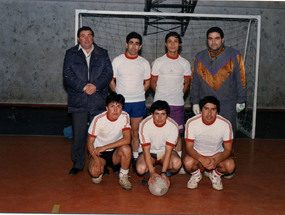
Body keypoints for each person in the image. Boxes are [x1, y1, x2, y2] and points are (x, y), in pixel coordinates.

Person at [63, 26, 113, 175]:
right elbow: (67, 74)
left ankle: (99, 163)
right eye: (83, 36)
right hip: (78, 101)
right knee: (78, 135)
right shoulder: (71, 54)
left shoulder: (103, 53)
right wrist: (83, 86)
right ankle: (78, 164)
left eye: (89, 35)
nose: (86, 39)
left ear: (93, 38)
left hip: (98, 101)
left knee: (98, 136)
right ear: (78, 39)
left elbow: (108, 73)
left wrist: (96, 86)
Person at [190, 26, 247, 135]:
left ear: (222, 39)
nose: (213, 42)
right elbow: (195, 81)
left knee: (228, 134)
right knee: (206, 134)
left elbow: (241, 79)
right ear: (207, 40)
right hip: (206, 104)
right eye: (210, 39)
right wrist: (195, 101)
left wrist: (241, 99)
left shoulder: (234, 55)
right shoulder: (199, 57)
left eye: (216, 38)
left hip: (227, 103)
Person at [110, 32, 151, 172]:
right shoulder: (117, 61)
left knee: (135, 131)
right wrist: (119, 97)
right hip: (123, 103)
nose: (134, 46)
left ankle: (134, 157)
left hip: (138, 102)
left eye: (137, 43)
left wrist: (139, 93)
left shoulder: (144, 63)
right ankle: (117, 160)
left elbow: (148, 82)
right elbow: (111, 80)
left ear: (140, 46)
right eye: (131, 43)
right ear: (126, 44)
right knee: (119, 132)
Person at [150, 31, 191, 174]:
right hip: (160, 105)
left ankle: (178, 162)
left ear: (179, 44)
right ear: (166, 44)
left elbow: (186, 83)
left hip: (177, 104)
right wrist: (161, 96)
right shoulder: (158, 62)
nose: (172, 44)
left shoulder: (184, 63)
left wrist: (178, 95)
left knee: (177, 134)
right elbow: (153, 83)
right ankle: (156, 158)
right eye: (170, 41)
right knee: (158, 132)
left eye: (175, 41)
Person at [183, 96, 235, 191]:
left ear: (217, 112)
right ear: (200, 110)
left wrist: (217, 160)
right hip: (198, 154)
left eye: (213, 109)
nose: (209, 113)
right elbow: (189, 148)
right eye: (206, 109)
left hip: (216, 154)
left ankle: (215, 175)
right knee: (187, 162)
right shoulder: (191, 123)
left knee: (230, 166)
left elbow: (228, 149)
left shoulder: (225, 124)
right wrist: (201, 159)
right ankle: (196, 175)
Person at [86, 92, 132, 190]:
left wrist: (105, 147)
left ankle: (123, 177)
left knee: (126, 149)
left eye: (118, 106)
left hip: (115, 152)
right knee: (94, 174)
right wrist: (96, 159)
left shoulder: (125, 116)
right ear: (107, 108)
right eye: (112, 106)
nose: (115, 110)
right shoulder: (98, 119)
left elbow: (127, 139)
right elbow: (89, 143)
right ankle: (101, 168)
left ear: (122, 108)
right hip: (99, 152)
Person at [136, 100, 182, 187]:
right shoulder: (144, 124)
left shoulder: (173, 126)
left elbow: (168, 151)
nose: (160, 118)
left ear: (167, 115)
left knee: (177, 163)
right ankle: (148, 173)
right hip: (149, 153)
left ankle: (167, 174)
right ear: (152, 114)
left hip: (164, 153)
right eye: (157, 114)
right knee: (140, 169)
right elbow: (146, 151)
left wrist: (163, 172)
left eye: (163, 114)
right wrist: (152, 172)